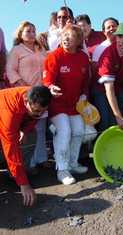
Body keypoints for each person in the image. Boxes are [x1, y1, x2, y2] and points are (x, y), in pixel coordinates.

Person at [43, 24, 90, 185]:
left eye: (71, 36)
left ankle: (72, 163)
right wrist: (50, 87)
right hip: (57, 104)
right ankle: (62, 169)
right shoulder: (54, 56)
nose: (66, 39)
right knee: (65, 131)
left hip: (75, 105)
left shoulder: (83, 57)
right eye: (64, 35)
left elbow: (85, 81)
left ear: (79, 41)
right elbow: (47, 79)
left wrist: (84, 95)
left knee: (78, 131)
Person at [6, 21, 48, 171]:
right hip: (24, 94)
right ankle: (28, 163)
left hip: (41, 93)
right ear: (20, 33)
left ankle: (41, 159)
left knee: (41, 128)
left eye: (33, 30)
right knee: (26, 130)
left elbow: (48, 64)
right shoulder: (16, 50)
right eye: (28, 31)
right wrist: (21, 85)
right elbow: (10, 70)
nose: (31, 33)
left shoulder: (40, 48)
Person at [0, 85, 52, 206]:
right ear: (25, 101)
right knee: (11, 149)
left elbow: (34, 117)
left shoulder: (37, 96)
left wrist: (24, 129)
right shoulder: (9, 111)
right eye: (36, 111)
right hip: (4, 120)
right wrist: (24, 185)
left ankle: (14, 174)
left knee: (30, 135)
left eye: (42, 111)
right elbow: (11, 149)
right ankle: (17, 175)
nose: (39, 114)